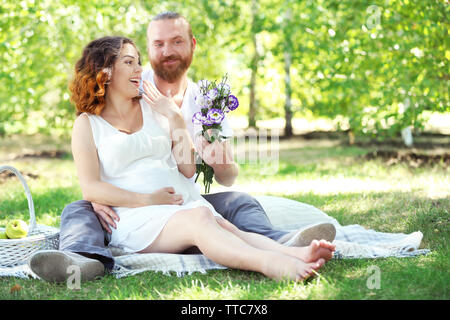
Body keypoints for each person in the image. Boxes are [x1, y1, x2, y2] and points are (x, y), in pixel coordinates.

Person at [29, 12, 335, 282]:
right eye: (129, 62)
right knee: (201, 219)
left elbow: (188, 169)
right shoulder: (87, 124)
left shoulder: (154, 107)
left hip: (184, 202)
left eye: (138, 61)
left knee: (227, 226)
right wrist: (148, 199)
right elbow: (91, 188)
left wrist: (175, 118)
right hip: (138, 217)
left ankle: (293, 252)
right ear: (104, 72)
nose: (139, 69)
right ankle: (272, 264)